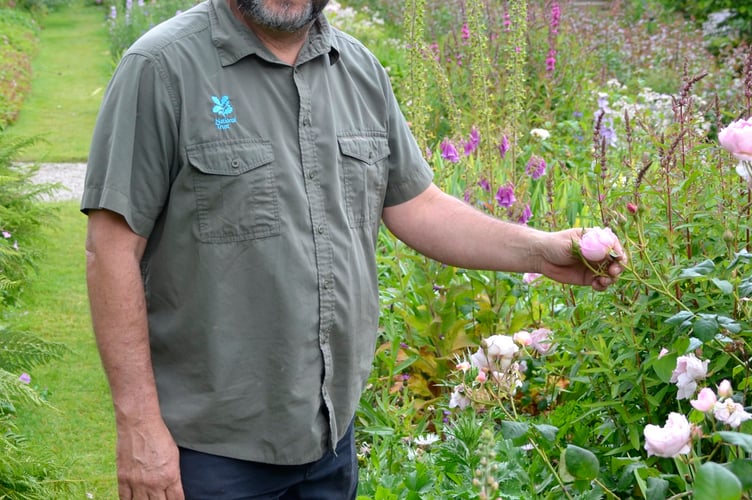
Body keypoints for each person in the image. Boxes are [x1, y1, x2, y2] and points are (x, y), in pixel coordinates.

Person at [82, 0, 625, 498]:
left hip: (329, 441)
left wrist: (539, 251)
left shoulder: (358, 70)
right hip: (208, 452)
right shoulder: (161, 68)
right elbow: (110, 252)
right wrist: (137, 425)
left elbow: (419, 206)